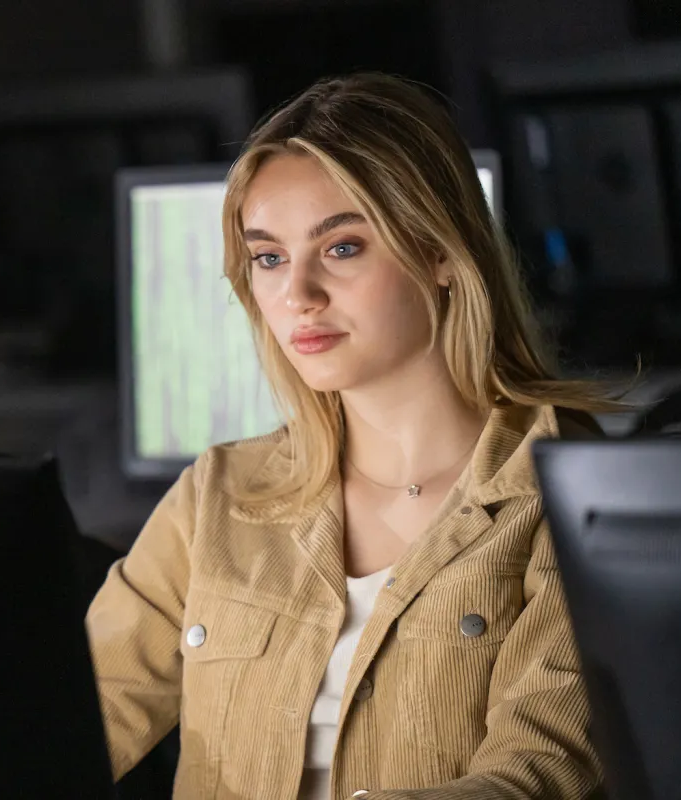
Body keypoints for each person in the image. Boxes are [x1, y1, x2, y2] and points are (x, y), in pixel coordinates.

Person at [87, 73, 620, 800]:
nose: (297, 294)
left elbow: (535, 776)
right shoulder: (219, 494)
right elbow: (73, 726)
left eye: (341, 248)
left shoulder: (571, 492)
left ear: (440, 250)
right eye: (269, 258)